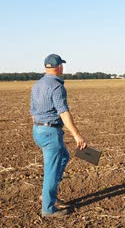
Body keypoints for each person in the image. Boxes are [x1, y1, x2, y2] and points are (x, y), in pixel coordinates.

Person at [30, 53, 87, 218]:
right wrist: (77, 135)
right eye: (62, 65)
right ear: (59, 67)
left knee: (63, 157)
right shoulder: (57, 86)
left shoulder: (37, 85)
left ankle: (48, 195)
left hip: (38, 130)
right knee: (51, 170)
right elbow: (63, 112)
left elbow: (33, 112)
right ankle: (48, 208)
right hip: (50, 133)